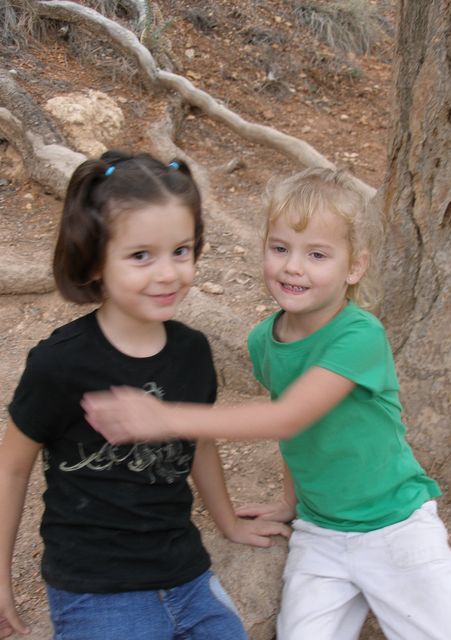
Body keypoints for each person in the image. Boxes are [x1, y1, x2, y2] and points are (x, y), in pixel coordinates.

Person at [83, 166, 451, 640]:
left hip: (395, 527)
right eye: (279, 248)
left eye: (317, 254)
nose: (293, 266)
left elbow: (287, 418)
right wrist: (291, 503)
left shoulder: (360, 336)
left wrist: (165, 417)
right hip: (321, 533)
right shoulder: (263, 340)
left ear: (354, 267)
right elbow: (297, 433)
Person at [0, 151, 290, 640]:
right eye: (141, 256)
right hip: (96, 589)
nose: (168, 273)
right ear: (95, 260)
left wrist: (228, 522)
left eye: (181, 250)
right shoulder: (59, 363)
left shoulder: (192, 351)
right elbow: (11, 468)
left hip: (185, 574)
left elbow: (198, 440)